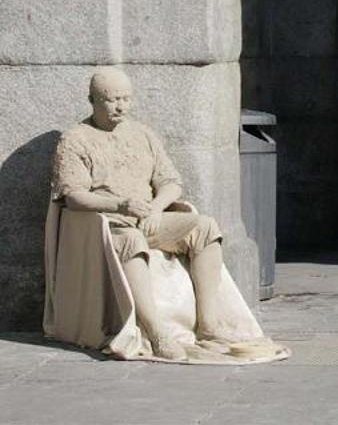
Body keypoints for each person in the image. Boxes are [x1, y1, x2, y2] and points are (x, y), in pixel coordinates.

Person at [47, 67, 285, 363]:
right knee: (131, 240)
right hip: (107, 226)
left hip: (149, 218)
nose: (120, 106)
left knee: (205, 228)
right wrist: (120, 206)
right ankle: (156, 331)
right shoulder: (75, 140)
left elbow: (171, 182)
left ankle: (209, 324)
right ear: (92, 100)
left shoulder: (142, 134)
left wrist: (157, 208)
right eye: (111, 99)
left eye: (125, 98)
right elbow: (73, 196)